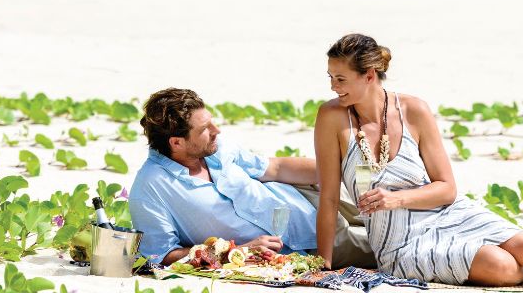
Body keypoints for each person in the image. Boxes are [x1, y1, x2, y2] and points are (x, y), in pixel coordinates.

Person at [313, 34, 523, 286]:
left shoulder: (414, 110)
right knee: (501, 268)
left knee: (520, 246)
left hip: (449, 213)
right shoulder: (331, 119)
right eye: (330, 77)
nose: (333, 86)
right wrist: (324, 265)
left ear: (369, 76)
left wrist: (396, 198)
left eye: (340, 78)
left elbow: (447, 189)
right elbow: (329, 198)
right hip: (401, 243)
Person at [129, 87, 374, 268]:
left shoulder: (216, 147)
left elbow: (276, 168)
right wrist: (236, 251)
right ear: (176, 142)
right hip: (313, 242)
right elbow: (161, 255)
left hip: (310, 198)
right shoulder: (151, 188)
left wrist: (347, 171)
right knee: (392, 246)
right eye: (205, 130)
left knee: (398, 207)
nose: (217, 131)